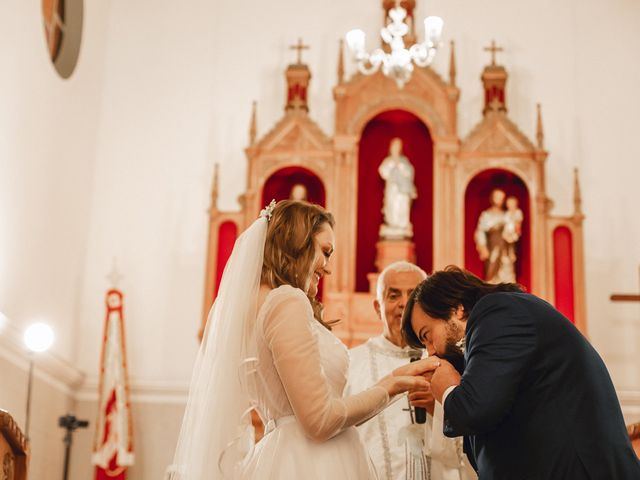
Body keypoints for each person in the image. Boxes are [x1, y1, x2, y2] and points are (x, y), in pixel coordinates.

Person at [170, 200, 439, 479]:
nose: (328, 267)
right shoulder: (285, 300)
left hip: (283, 454)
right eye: (325, 252)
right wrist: (391, 385)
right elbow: (319, 420)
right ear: (297, 243)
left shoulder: (250, 306)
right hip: (313, 462)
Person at [401, 266, 640, 479]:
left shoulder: (497, 313)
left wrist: (448, 390)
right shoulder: (503, 320)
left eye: (427, 335)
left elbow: (474, 411)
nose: (431, 352)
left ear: (456, 308)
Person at [346, 261, 475, 480]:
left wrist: (439, 409)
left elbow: (473, 438)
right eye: (393, 295)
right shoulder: (351, 364)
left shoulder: (453, 361)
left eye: (413, 295)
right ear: (378, 307)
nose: (404, 304)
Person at [379, 138, 417, 239]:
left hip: (402, 191)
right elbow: (383, 171)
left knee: (402, 205)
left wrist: (400, 167)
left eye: (398, 147)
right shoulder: (388, 161)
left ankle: (401, 225)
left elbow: (409, 172)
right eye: (394, 146)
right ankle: (392, 224)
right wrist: (392, 166)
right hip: (392, 189)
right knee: (392, 206)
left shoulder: (404, 161)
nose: (396, 149)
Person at [474, 188, 513, 283]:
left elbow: (511, 229)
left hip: (505, 245)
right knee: (492, 266)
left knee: (506, 267)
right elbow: (481, 231)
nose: (499, 200)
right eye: (497, 197)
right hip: (493, 245)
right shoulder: (487, 214)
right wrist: (483, 246)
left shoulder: (506, 214)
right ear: (492, 198)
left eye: (502, 198)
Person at [502, 195, 523, 263]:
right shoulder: (507, 213)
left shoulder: (518, 212)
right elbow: (504, 221)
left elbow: (518, 221)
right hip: (507, 230)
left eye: (512, 204)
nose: (511, 206)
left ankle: (512, 253)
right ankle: (504, 254)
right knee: (505, 242)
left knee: (512, 243)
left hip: (513, 230)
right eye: (509, 204)